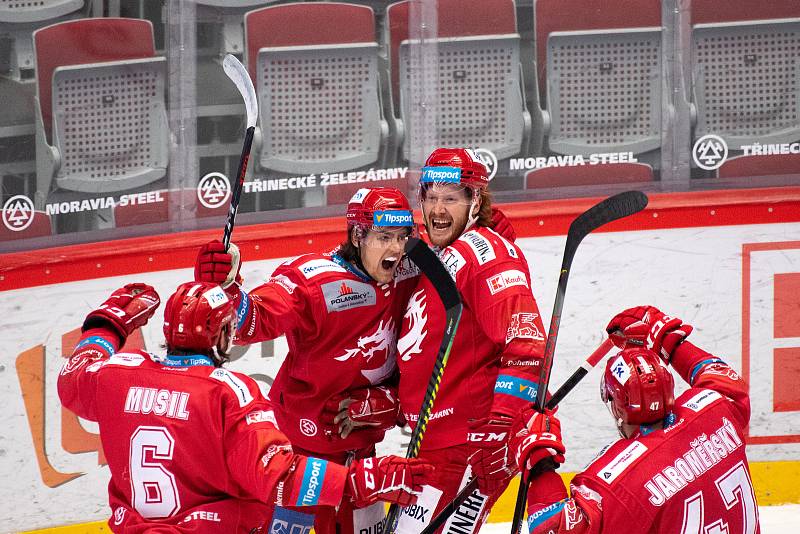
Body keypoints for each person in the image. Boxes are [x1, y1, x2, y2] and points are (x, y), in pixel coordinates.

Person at [57, 281, 432, 533]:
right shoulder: (228, 392)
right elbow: (278, 477)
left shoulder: (119, 375)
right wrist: (363, 479)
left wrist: (106, 325)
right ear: (222, 335)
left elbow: (71, 380)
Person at [194, 187, 420, 534]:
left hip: (360, 457)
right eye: (384, 236)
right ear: (358, 234)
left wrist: (491, 230)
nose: (396, 248)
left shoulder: (411, 272)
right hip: (299, 460)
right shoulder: (313, 280)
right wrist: (223, 288)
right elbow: (252, 320)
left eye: (403, 237)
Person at [393, 148, 548, 534]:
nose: (438, 209)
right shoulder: (442, 254)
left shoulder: (485, 253)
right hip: (434, 444)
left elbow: (526, 345)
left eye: (450, 197)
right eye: (430, 196)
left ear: (475, 200)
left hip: (467, 446)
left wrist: (498, 432)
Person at [511, 305, 760, 534]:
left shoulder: (618, 483)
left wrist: (541, 464)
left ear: (618, 410)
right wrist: (667, 340)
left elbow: (552, 528)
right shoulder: (716, 409)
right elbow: (724, 378)